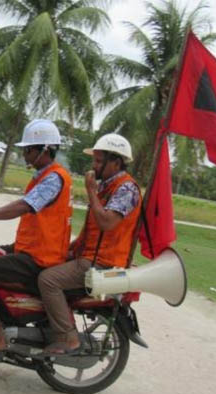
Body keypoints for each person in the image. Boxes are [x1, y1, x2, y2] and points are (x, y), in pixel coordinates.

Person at [0, 119, 73, 356]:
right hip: (30, 248)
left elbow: (23, 206)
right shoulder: (43, 175)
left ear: (45, 150)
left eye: (28, 149)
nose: (24, 153)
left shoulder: (54, 178)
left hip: (40, 257)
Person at [37, 133, 141, 355]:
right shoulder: (107, 186)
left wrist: (91, 192)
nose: (93, 166)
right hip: (90, 257)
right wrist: (69, 248)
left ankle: (68, 338)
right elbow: (92, 232)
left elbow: (106, 222)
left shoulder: (127, 189)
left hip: (103, 264)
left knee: (48, 281)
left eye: (98, 160)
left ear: (115, 162)